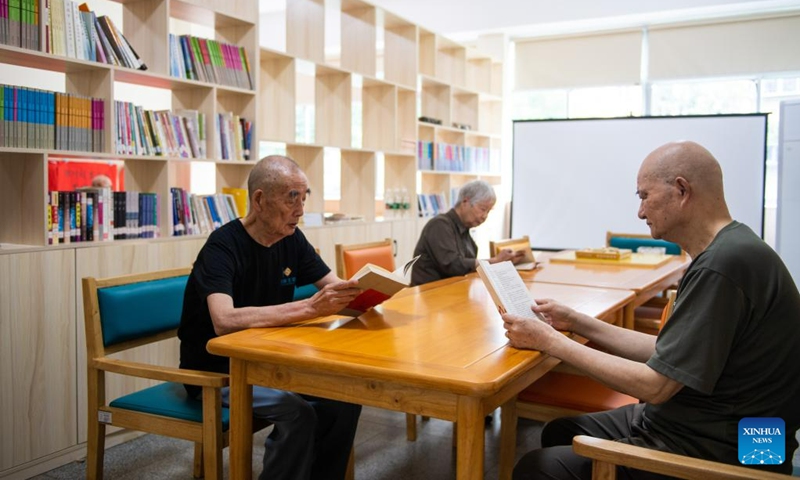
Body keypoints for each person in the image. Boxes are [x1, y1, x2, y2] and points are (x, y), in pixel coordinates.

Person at [503, 141, 800, 479]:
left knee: (536, 468)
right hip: (713, 422)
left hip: (729, 449)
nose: (640, 212)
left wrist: (549, 341)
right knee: (562, 430)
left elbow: (655, 386)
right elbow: (666, 353)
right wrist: (576, 322)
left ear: (681, 190)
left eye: (644, 196)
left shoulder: (722, 267)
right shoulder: (733, 248)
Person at [178, 155, 363, 480]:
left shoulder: (291, 238)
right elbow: (224, 319)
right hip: (218, 372)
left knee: (345, 400)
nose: (301, 209)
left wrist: (375, 292)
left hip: (270, 362)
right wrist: (308, 308)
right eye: (292, 196)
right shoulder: (222, 246)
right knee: (297, 413)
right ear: (260, 200)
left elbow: (335, 288)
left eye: (304, 197)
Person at [411, 179, 525, 286]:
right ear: (465, 201)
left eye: (488, 211)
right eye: (483, 209)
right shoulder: (439, 225)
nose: (485, 216)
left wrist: (501, 262)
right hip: (429, 295)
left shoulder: (464, 229)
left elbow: (469, 265)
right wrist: (494, 261)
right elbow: (453, 265)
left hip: (453, 291)